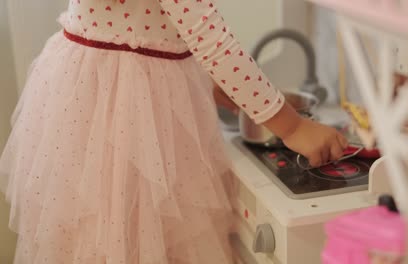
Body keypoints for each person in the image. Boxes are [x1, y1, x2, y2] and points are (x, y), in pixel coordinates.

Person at [0, 0, 347, 263]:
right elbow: (210, 38)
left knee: (99, 237)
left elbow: (144, 26)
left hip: (93, 89)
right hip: (124, 108)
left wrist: (210, 84)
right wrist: (293, 125)